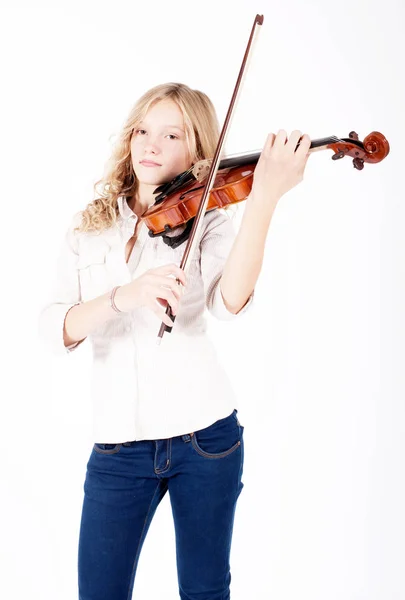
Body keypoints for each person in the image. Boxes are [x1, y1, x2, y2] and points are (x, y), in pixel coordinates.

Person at [38, 82, 311, 600]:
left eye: (171, 134)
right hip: (119, 447)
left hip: (206, 440)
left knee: (206, 590)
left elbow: (231, 300)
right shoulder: (89, 228)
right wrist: (124, 295)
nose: (151, 145)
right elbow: (55, 328)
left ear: (198, 153)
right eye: (143, 130)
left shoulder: (206, 219)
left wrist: (266, 199)